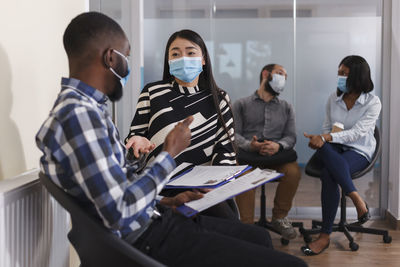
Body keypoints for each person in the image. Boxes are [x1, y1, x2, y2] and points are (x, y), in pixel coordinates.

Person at [35, 12, 307, 267]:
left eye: (190, 52)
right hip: (148, 237)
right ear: (110, 58)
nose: (128, 68)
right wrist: (169, 153)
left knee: (258, 238)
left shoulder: (85, 110)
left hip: (156, 215)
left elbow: (116, 187)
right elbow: (119, 211)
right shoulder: (80, 116)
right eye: (126, 57)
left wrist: (167, 203)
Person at [125, 29, 238, 219]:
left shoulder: (219, 99)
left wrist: (213, 185)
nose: (183, 58)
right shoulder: (152, 93)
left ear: (203, 59)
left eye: (191, 52)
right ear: (168, 61)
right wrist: (137, 145)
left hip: (205, 189)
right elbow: (133, 143)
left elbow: (226, 149)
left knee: (231, 231)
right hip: (162, 186)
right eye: (175, 54)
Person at [302, 55, 381, 256]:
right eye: (339, 73)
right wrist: (324, 137)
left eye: (343, 74)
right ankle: (354, 195)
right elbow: (327, 127)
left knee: (329, 173)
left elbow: (358, 133)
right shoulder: (333, 98)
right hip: (335, 147)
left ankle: (324, 236)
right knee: (323, 146)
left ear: (357, 76)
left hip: (359, 150)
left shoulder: (373, 102)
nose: (339, 77)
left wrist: (324, 137)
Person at [233, 64, 301, 240]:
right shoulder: (241, 104)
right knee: (243, 176)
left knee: (293, 171)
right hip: (248, 155)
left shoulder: (287, 107)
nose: (283, 79)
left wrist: (278, 146)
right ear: (265, 74)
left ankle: (279, 217)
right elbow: (233, 135)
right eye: (280, 73)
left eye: (285, 76)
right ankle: (246, 227)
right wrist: (250, 145)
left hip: (276, 156)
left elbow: (291, 137)